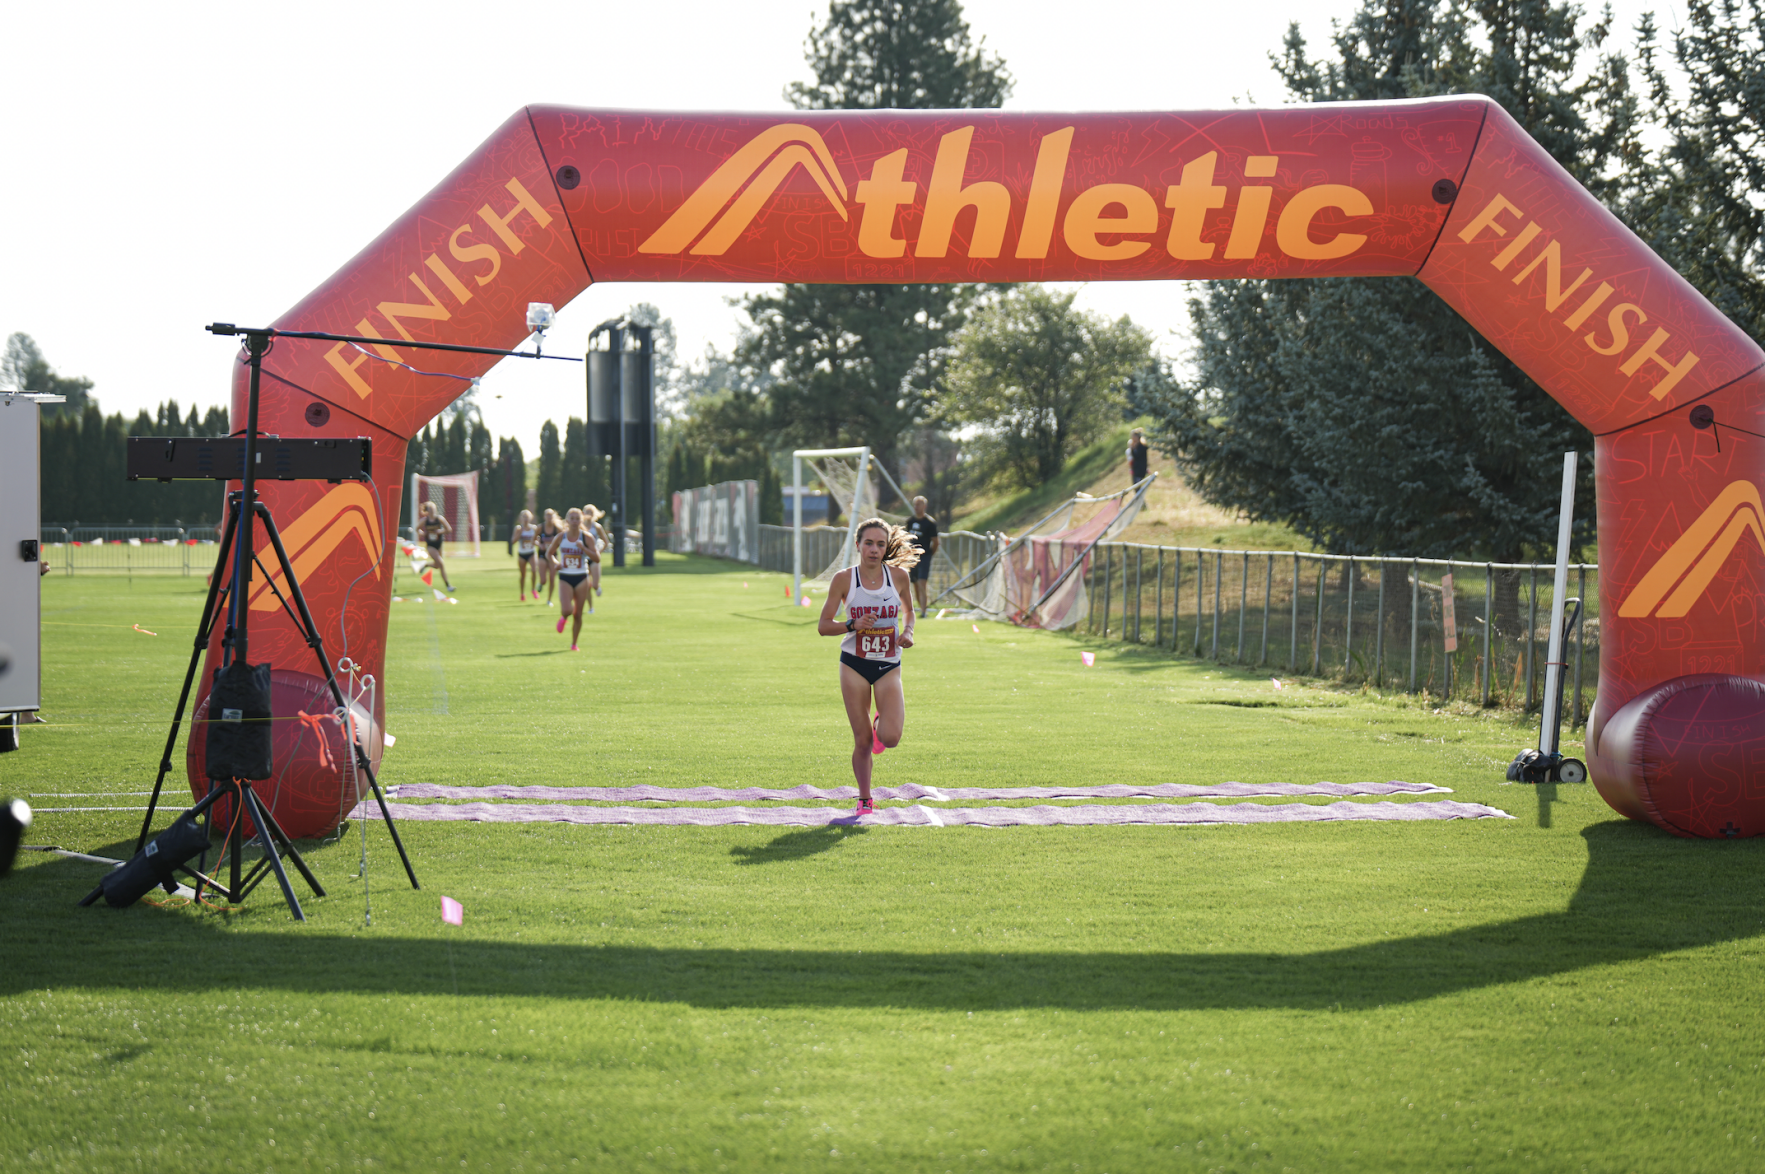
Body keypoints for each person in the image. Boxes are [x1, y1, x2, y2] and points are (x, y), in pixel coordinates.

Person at [817, 518, 917, 816]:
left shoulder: (898, 577)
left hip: (888, 665)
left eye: (880, 544)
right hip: (855, 665)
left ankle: (879, 724)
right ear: (858, 545)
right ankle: (864, 797)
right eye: (869, 543)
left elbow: (909, 612)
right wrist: (852, 624)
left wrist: (908, 632)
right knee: (861, 741)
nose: (874, 550)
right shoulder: (844, 579)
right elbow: (823, 626)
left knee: (891, 738)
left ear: (887, 548)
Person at [547, 507, 599, 651]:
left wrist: (584, 549)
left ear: (581, 520)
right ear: (567, 520)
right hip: (565, 577)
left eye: (578, 519)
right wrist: (556, 564)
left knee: (578, 614)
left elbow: (597, 558)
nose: (575, 521)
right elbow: (549, 553)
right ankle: (563, 617)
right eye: (572, 518)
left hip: (582, 576)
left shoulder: (586, 537)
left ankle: (574, 643)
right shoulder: (561, 537)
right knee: (568, 609)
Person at [904, 495, 940, 618]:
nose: (916, 507)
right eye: (915, 504)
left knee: (922, 582)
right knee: (914, 584)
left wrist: (928, 554)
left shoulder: (930, 523)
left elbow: (935, 542)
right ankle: (920, 608)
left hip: (924, 557)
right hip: (912, 556)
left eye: (918, 504)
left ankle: (924, 611)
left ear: (924, 506)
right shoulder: (910, 522)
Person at [417, 501, 454, 591]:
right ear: (428, 511)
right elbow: (417, 529)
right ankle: (448, 585)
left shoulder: (440, 519)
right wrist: (423, 534)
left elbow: (449, 529)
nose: (433, 512)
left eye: (434, 510)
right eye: (431, 510)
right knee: (441, 563)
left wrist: (440, 531)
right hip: (430, 545)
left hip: (439, 544)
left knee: (437, 566)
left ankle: (425, 565)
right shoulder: (425, 521)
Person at [513, 509, 540, 601]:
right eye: (524, 517)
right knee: (523, 575)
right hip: (522, 554)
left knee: (534, 570)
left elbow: (537, 540)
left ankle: (533, 589)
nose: (525, 519)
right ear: (520, 518)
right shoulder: (518, 528)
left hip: (531, 553)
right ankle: (522, 593)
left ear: (530, 518)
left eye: (527, 517)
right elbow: (513, 541)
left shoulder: (534, 528)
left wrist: (537, 543)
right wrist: (519, 534)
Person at [537, 508, 562, 604]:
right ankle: (541, 583)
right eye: (547, 515)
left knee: (552, 578)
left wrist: (556, 545)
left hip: (553, 555)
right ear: (544, 517)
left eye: (551, 515)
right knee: (544, 580)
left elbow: (563, 540)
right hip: (543, 555)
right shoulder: (540, 527)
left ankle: (549, 599)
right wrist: (540, 545)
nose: (549, 517)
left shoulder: (558, 529)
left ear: (554, 516)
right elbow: (533, 539)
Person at [583, 504, 607, 600]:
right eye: (587, 512)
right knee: (586, 583)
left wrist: (599, 552)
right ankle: (590, 607)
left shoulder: (597, 527)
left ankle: (597, 587)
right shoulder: (580, 526)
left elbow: (606, 542)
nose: (588, 514)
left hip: (593, 557)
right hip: (583, 557)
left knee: (594, 585)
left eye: (591, 512)